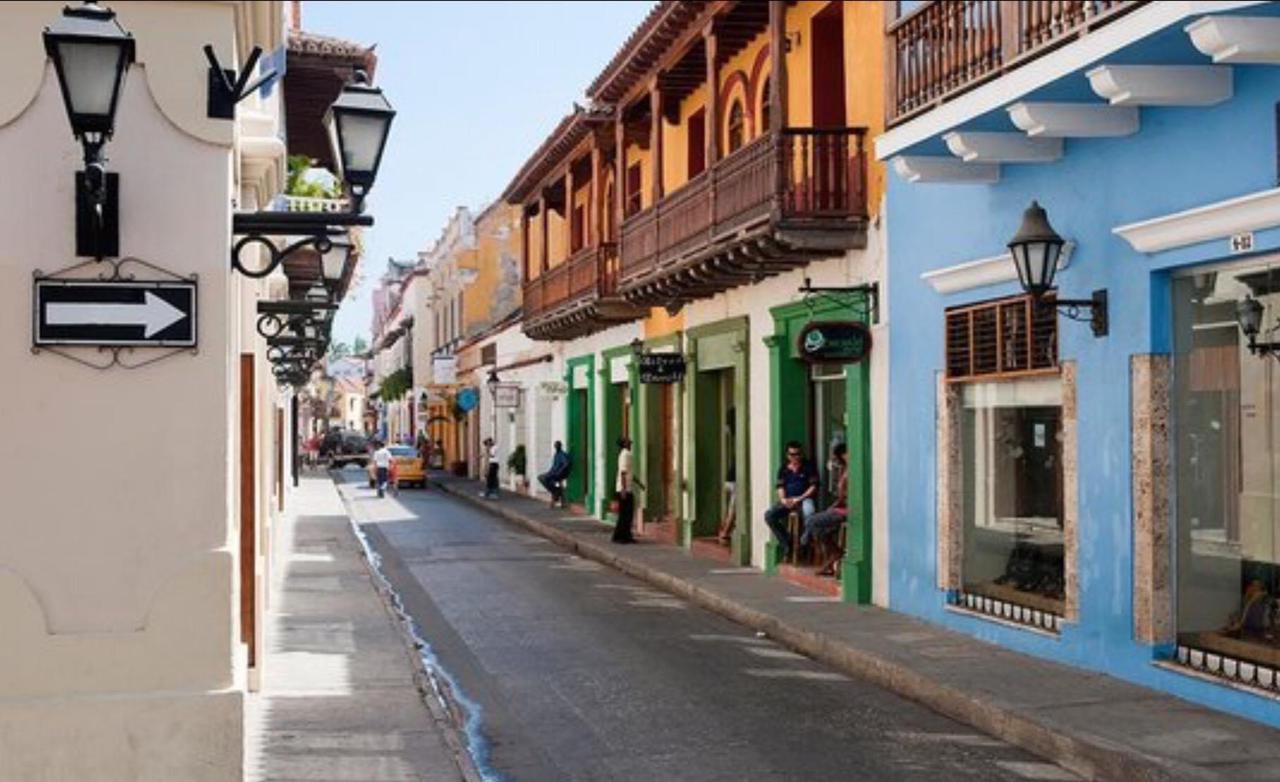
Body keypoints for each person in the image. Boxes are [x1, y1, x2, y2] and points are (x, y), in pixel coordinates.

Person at [763, 440, 819, 561]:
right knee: (770, 516)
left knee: (810, 514)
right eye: (792, 454)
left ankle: (804, 543)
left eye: (798, 454)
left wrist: (800, 498)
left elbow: (813, 486)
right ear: (787, 455)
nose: (795, 457)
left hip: (804, 499)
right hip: (788, 500)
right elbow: (780, 486)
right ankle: (787, 542)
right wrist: (783, 499)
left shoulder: (808, 466)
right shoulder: (784, 468)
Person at [802, 443, 848, 576]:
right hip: (840, 508)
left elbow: (847, 495)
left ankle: (806, 541)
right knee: (820, 529)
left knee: (812, 522)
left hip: (847, 511)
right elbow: (841, 496)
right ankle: (833, 555)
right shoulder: (845, 470)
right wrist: (833, 506)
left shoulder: (852, 471)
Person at [612, 437, 642, 543]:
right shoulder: (625, 455)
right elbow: (623, 473)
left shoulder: (625, 454)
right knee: (626, 514)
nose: (630, 442)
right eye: (627, 441)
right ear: (624, 444)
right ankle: (622, 536)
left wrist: (639, 483)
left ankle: (622, 536)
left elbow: (629, 473)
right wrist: (624, 489)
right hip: (625, 489)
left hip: (624, 488)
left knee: (625, 514)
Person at [538, 441, 572, 508]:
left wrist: (559, 471)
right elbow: (553, 466)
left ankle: (556, 492)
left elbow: (566, 464)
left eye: (557, 445)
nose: (556, 447)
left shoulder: (562, 454)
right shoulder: (556, 455)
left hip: (559, 474)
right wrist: (549, 472)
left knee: (545, 478)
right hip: (553, 473)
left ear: (560, 446)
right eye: (555, 446)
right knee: (540, 477)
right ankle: (555, 491)